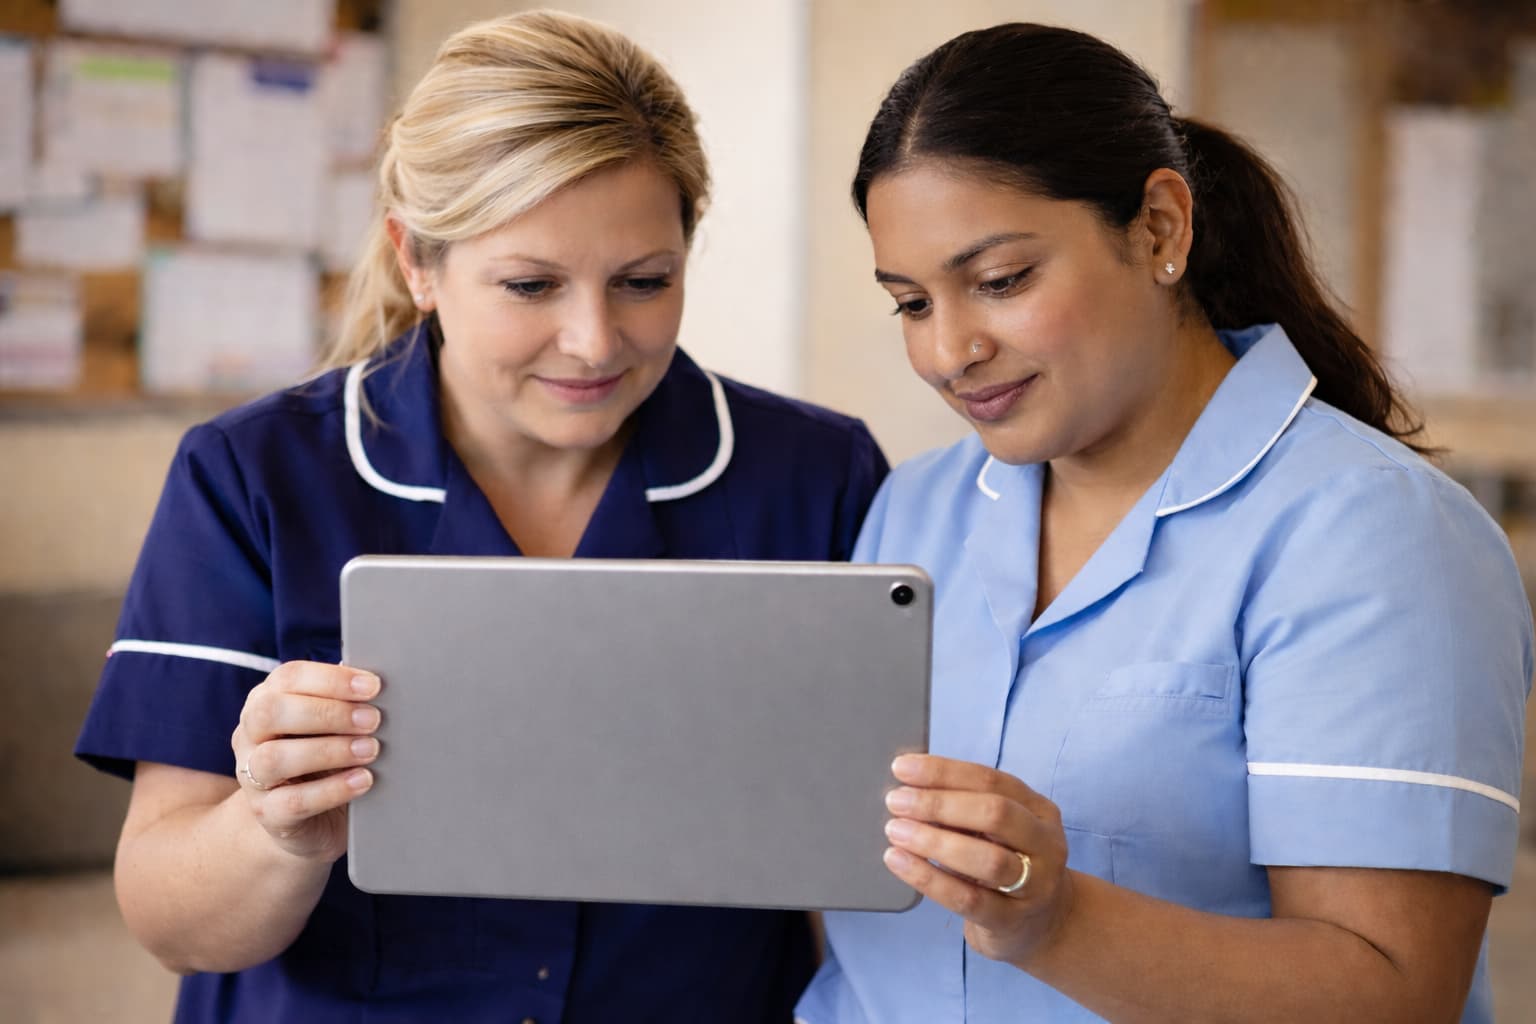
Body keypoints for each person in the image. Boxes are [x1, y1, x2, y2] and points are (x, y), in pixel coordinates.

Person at [74, 11, 886, 1023]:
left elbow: (856, 874)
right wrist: (277, 831)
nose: (593, 341)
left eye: (645, 282)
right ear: (417, 260)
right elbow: (172, 921)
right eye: (530, 285)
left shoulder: (815, 475)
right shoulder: (253, 476)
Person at [798, 22, 1533, 1024]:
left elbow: (1393, 992)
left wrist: (1050, 919)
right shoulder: (916, 508)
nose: (949, 350)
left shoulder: (1374, 533)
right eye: (911, 303)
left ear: (1159, 228)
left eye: (1002, 280)